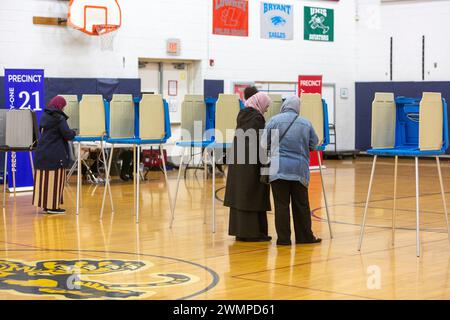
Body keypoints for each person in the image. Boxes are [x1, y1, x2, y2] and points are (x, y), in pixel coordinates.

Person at [263, 96, 322, 245]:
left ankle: (283, 239)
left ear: (284, 106)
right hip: (299, 171)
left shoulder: (274, 121)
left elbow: (263, 143)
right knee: (301, 205)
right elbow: (314, 144)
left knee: (281, 206)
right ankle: (304, 237)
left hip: (278, 170)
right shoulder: (306, 123)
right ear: (297, 107)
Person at [224, 92, 272, 242]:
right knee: (253, 195)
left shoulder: (243, 115)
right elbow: (261, 144)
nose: (266, 110)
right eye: (266, 107)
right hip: (251, 164)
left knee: (241, 196)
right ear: (260, 103)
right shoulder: (257, 118)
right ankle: (254, 233)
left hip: (238, 163)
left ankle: (241, 232)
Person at [33, 96, 76, 214]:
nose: (64, 109)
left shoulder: (44, 116)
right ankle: (53, 207)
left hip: (43, 153)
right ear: (60, 105)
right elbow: (67, 134)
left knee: (45, 181)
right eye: (63, 106)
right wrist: (74, 132)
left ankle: (46, 206)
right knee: (55, 181)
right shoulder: (59, 118)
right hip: (55, 154)